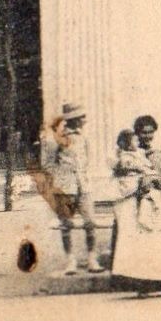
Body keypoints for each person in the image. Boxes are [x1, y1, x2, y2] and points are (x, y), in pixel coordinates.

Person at [111, 115, 161, 296]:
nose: (147, 136)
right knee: (143, 244)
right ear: (137, 133)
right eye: (144, 132)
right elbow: (120, 177)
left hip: (158, 202)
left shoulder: (158, 152)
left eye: (151, 132)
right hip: (138, 203)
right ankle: (144, 284)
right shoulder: (127, 153)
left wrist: (154, 179)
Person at [39, 102, 103, 275]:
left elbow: (87, 159)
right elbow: (47, 164)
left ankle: (92, 259)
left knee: (90, 222)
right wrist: (61, 178)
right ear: (73, 120)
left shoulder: (84, 137)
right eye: (82, 118)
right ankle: (70, 261)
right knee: (66, 224)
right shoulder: (56, 138)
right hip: (65, 187)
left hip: (84, 185)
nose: (85, 120)